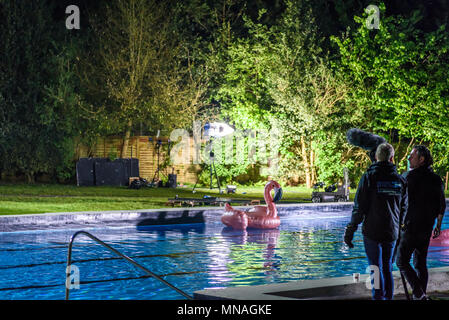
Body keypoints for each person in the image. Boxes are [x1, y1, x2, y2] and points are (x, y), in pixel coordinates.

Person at [344, 142, 408, 300]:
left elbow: (359, 208)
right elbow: (405, 209)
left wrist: (350, 229)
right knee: (387, 268)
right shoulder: (400, 180)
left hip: (372, 232)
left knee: (375, 269)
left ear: (376, 157)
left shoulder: (368, 178)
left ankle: (378, 298)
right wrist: (401, 230)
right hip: (392, 232)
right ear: (392, 158)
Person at [395, 145, 446, 300]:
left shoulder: (407, 177)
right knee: (420, 263)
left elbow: (399, 203)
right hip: (426, 228)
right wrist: (438, 225)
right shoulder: (436, 179)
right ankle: (421, 297)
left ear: (421, 159)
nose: (409, 158)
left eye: (412, 155)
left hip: (409, 227)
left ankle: (419, 293)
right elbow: (441, 205)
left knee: (401, 261)